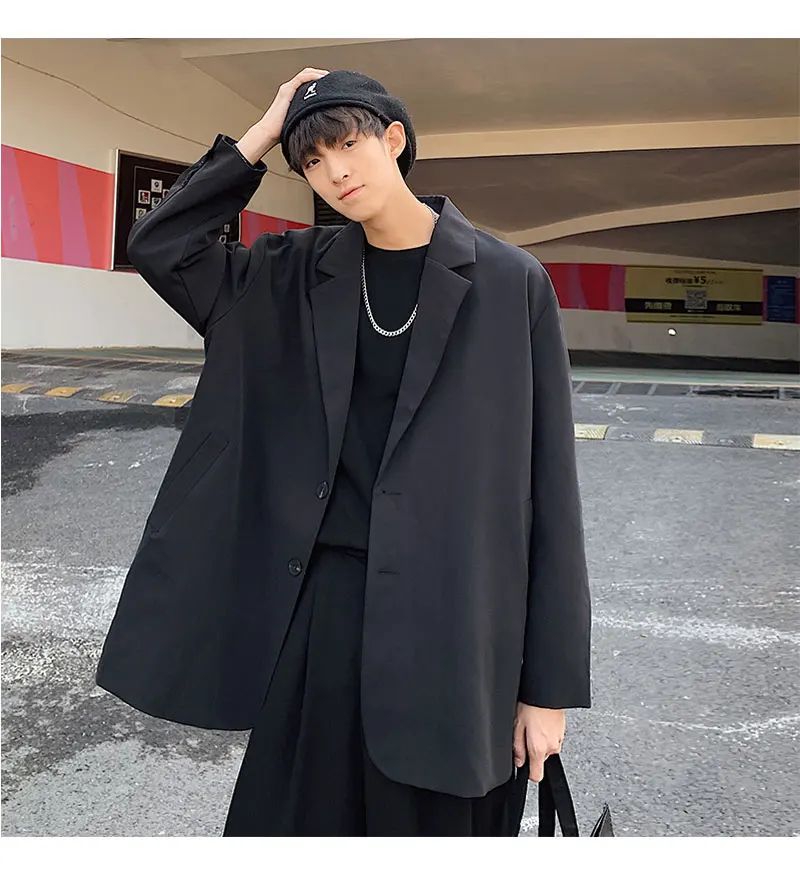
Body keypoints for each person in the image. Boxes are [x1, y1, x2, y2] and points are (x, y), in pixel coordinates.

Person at [95, 68, 592, 837]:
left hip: (457, 628)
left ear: (394, 140)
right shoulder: (289, 273)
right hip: (321, 619)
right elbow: (161, 245)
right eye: (313, 161)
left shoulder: (510, 284)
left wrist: (547, 690)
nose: (335, 172)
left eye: (347, 145)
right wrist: (263, 133)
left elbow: (550, 492)